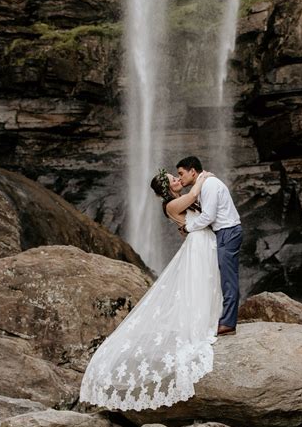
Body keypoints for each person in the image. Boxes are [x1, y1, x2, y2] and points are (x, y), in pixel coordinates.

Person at [79, 169, 222, 412]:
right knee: (199, 280)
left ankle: (211, 318)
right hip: (198, 244)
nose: (178, 180)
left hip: (201, 241)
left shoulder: (176, 201)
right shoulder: (172, 204)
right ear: (166, 189)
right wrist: (202, 178)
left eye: (176, 177)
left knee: (205, 280)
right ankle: (201, 325)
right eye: (172, 179)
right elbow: (196, 192)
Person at [177, 156, 242, 336]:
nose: (180, 178)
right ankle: (226, 319)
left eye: (181, 174)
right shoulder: (204, 185)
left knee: (228, 277)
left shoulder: (209, 185)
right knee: (226, 276)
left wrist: (187, 227)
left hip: (228, 232)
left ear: (193, 171)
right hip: (223, 232)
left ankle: (228, 323)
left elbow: (209, 216)